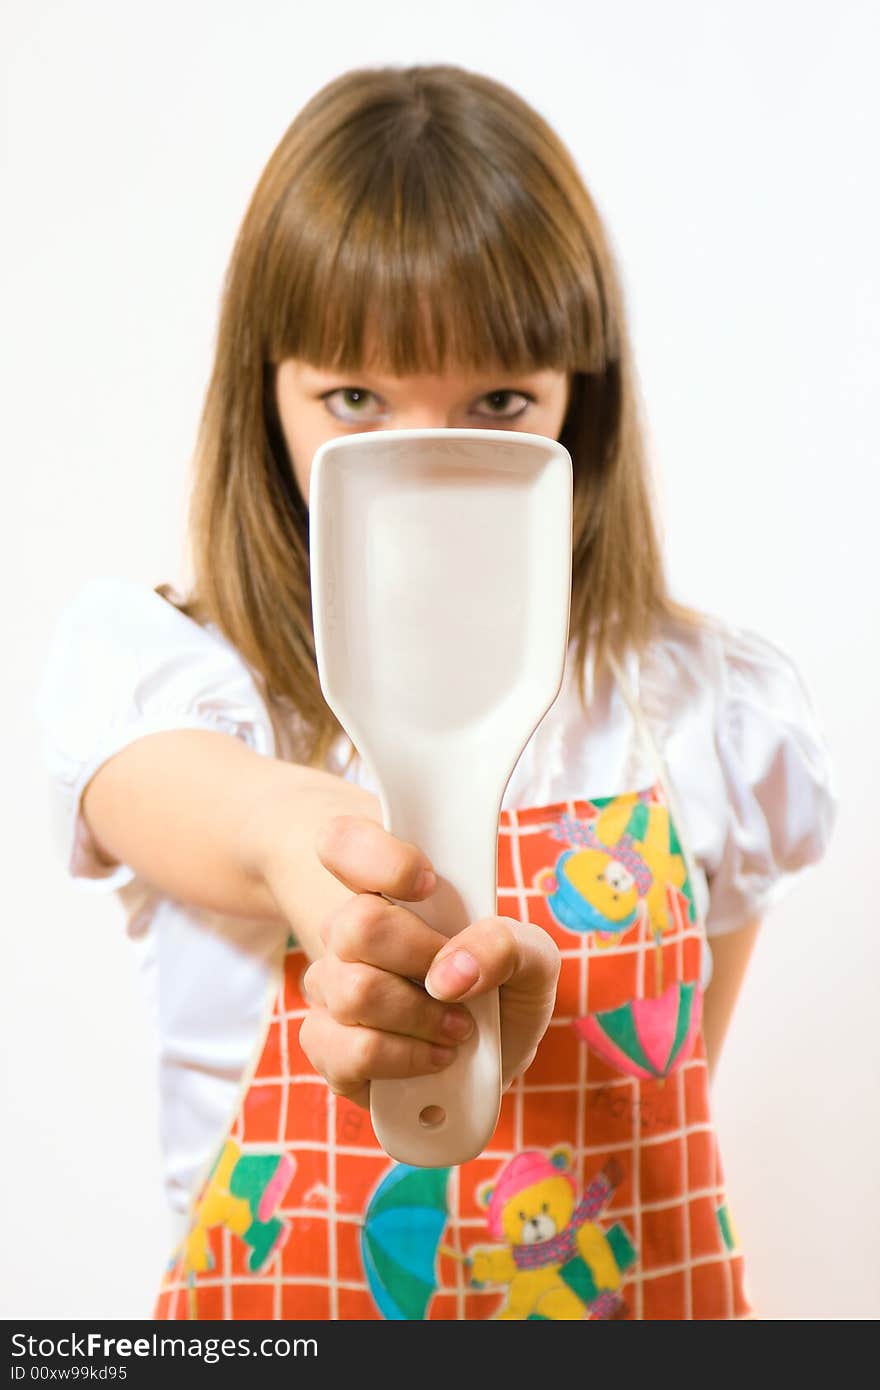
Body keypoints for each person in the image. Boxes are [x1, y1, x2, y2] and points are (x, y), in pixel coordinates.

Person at [35, 64, 837, 1321]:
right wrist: (320, 860)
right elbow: (215, 807)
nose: (425, 454)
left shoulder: (704, 710)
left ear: (586, 404)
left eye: (501, 400)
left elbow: (661, 1115)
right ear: (267, 391)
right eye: (355, 397)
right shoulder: (168, 675)